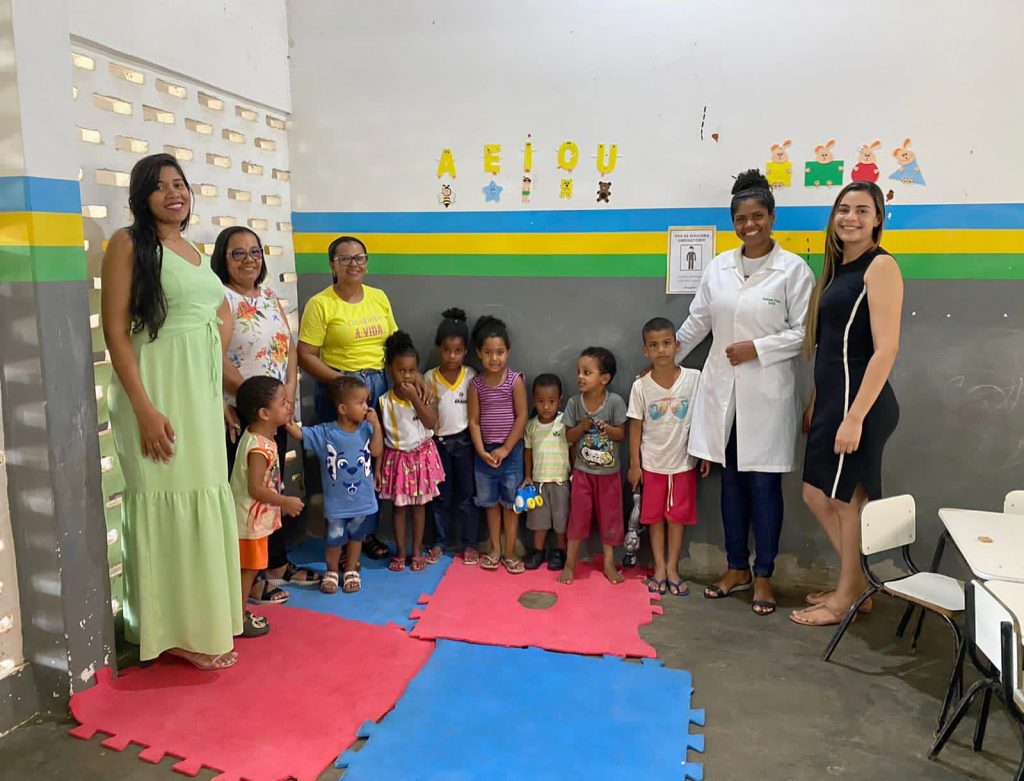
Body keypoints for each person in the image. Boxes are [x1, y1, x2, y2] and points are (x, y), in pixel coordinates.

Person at [101, 153, 241, 670]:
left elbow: (218, 310)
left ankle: (203, 621)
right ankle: (169, 631)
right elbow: (115, 330)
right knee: (165, 496)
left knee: (205, 490)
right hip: (155, 388)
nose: (173, 193)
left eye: (179, 184)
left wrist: (215, 376)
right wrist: (144, 410)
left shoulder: (192, 248)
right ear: (142, 197)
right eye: (160, 186)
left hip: (197, 392)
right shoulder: (127, 244)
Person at [672, 169, 814, 616]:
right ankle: (736, 568)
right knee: (730, 484)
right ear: (733, 222)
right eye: (741, 219)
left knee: (765, 487)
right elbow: (698, 321)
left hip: (767, 395)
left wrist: (758, 348)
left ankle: (764, 575)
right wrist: (667, 359)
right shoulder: (718, 267)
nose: (749, 225)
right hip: (724, 396)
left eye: (757, 216)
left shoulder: (793, 271)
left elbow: (805, 333)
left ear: (772, 217)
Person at [792, 181, 902, 627]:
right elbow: (830, 348)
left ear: (877, 220)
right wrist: (816, 401)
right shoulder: (838, 270)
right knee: (815, 493)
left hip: (859, 404)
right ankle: (856, 586)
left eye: (861, 210)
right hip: (833, 401)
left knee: (844, 501)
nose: (850, 217)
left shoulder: (881, 266)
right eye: (843, 209)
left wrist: (855, 417)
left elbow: (886, 349)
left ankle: (845, 599)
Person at [211, 226, 320, 595]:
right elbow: (215, 356)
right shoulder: (220, 299)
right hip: (244, 414)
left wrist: (286, 398)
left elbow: (288, 349)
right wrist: (254, 402)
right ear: (223, 259)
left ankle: (276, 564)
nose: (249, 260)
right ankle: (250, 579)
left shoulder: (270, 296)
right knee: (250, 497)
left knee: (273, 491)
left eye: (255, 252)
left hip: (273, 414)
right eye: (238, 253)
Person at [297, 235, 397, 561]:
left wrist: (407, 381)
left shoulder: (379, 297)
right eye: (345, 258)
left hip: (377, 386)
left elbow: (394, 344)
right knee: (341, 465)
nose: (354, 264)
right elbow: (305, 355)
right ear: (332, 265)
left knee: (371, 462)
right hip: (339, 390)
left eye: (359, 258)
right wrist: (341, 382)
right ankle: (338, 539)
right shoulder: (321, 304)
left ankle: (365, 533)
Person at [627, 318, 706, 597]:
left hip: (683, 464)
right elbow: (635, 426)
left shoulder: (694, 379)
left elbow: (704, 417)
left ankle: (673, 568)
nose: (661, 350)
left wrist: (705, 453)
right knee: (654, 519)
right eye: (654, 345)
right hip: (651, 464)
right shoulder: (641, 386)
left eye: (666, 343)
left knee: (677, 519)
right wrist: (635, 464)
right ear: (645, 350)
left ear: (677, 345)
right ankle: (659, 568)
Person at [290, 376, 382, 594]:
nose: (366, 407)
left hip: (362, 500)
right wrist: (286, 416)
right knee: (334, 539)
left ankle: (351, 570)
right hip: (337, 503)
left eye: (366, 402)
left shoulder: (366, 430)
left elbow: (377, 450)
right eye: (360, 403)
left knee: (357, 537)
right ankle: (331, 571)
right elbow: (299, 433)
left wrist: (377, 426)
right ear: (342, 408)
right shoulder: (326, 433)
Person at [230, 376, 305, 634]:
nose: (289, 406)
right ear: (264, 413)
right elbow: (255, 488)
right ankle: (237, 618)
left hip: (254, 517)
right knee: (248, 570)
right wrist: (284, 501)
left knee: (250, 568)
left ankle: (236, 614)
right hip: (248, 521)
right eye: (283, 403)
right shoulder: (258, 447)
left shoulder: (261, 436)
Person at [559, 347, 628, 586]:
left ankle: (609, 563)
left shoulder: (615, 402)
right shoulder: (574, 403)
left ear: (604, 378)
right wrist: (582, 427)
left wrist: (607, 428)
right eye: (578, 371)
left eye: (587, 372)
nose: (580, 377)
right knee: (577, 518)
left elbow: (621, 435)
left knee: (610, 519)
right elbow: (569, 436)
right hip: (582, 474)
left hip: (609, 474)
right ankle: (570, 563)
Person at [377, 332, 445, 572]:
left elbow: (431, 422)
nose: (406, 376)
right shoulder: (384, 401)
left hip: (421, 457)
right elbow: (380, 438)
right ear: (390, 370)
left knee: (419, 507)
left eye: (411, 371)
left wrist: (415, 398)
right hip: (397, 459)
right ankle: (400, 552)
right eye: (401, 371)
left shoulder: (422, 394)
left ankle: (416, 551)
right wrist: (378, 470)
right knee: (398, 508)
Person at [467, 315, 529, 573]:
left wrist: (505, 448)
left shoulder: (515, 381)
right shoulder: (476, 385)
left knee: (511, 504)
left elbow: (522, 416)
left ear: (508, 352)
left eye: (500, 352)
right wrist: (481, 450)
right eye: (488, 352)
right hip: (485, 454)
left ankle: (510, 550)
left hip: (511, 452)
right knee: (490, 503)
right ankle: (495, 548)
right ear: (479, 353)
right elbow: (474, 420)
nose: (495, 358)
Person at [424, 308, 479, 564]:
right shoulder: (429, 378)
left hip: (465, 443)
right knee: (441, 497)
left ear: (466, 351)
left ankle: (470, 543)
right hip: (439, 445)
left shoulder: (470, 376)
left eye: (458, 351)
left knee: (468, 496)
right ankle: (439, 542)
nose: (452, 356)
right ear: (439, 349)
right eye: (447, 350)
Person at [521, 374, 570, 571]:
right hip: (539, 482)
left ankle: (560, 552)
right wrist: (528, 476)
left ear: (560, 400)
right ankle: (538, 551)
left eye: (551, 401)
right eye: (541, 402)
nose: (546, 407)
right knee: (539, 521)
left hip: (560, 481)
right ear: (534, 400)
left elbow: (572, 448)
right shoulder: (531, 425)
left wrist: (574, 473)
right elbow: (528, 452)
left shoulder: (564, 422)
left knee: (561, 521)